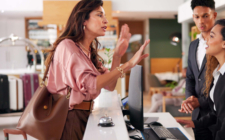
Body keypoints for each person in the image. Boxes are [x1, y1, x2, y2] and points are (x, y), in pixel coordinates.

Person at [45, 0, 149, 139]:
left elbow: (110, 85)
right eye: (100, 15)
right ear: (84, 20)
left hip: (84, 115)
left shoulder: (88, 52)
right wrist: (128, 64)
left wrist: (117, 56)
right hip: (70, 118)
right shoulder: (68, 47)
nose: (106, 21)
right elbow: (93, 83)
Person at [177, 0, 217, 139]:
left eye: (205, 16)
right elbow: (190, 77)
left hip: (218, 115)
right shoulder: (193, 45)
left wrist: (202, 101)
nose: (201, 21)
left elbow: (224, 82)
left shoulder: (222, 43)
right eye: (197, 16)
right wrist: (189, 98)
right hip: (197, 115)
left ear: (214, 15)